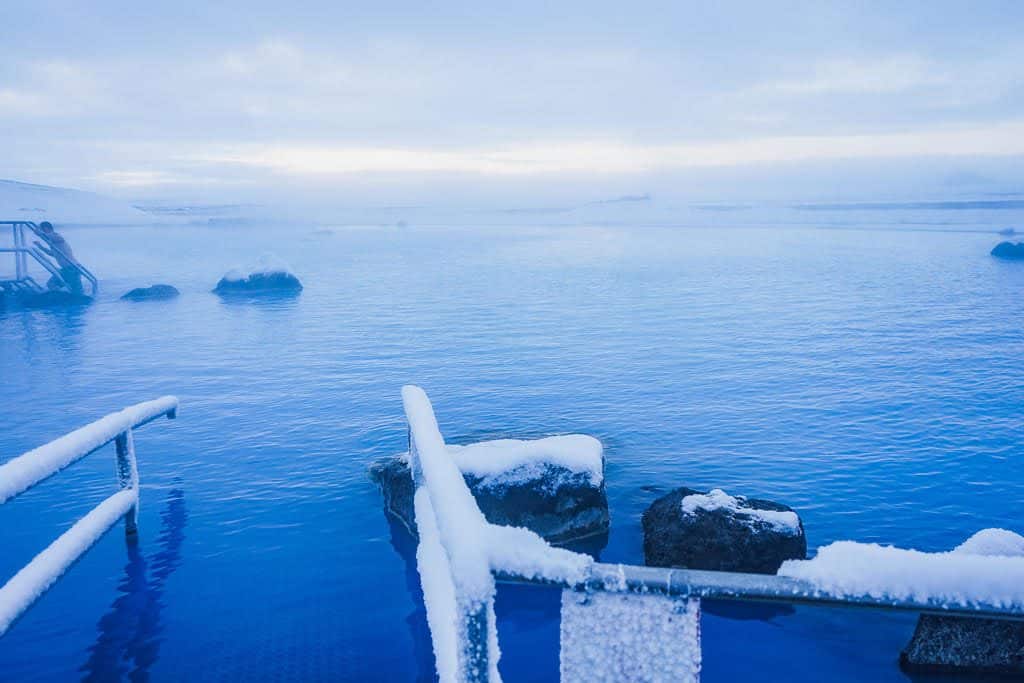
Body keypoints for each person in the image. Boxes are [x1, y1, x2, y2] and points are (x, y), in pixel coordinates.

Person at [34, 221, 84, 295]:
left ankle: (64, 296)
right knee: (52, 284)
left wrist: (39, 232)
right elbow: (52, 253)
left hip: (72, 268)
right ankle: (62, 296)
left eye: (42, 229)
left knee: (75, 291)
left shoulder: (56, 236)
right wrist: (40, 246)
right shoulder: (53, 241)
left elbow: (59, 239)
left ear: (46, 228)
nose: (42, 231)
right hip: (68, 268)